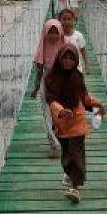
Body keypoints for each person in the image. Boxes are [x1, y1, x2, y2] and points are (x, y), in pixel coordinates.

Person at [45, 43, 105, 203]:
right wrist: (60, 110)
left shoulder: (77, 77)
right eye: (65, 58)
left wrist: (97, 105)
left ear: (76, 60)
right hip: (61, 122)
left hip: (77, 120)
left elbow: (84, 97)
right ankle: (70, 174)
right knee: (66, 154)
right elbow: (51, 100)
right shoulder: (50, 78)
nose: (68, 61)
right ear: (59, 58)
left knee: (76, 154)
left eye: (71, 59)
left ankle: (75, 187)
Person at [29, 19, 66, 157]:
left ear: (60, 32)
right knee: (47, 113)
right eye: (50, 32)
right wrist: (36, 87)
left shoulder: (66, 47)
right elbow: (39, 69)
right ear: (45, 33)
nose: (53, 36)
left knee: (62, 112)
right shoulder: (43, 46)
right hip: (47, 83)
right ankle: (54, 144)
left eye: (56, 32)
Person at [58, 7, 89, 73]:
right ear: (59, 21)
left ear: (73, 20)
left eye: (69, 19)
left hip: (77, 69)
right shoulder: (58, 36)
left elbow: (83, 51)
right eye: (64, 19)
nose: (66, 22)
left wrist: (87, 65)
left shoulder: (78, 35)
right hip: (61, 69)